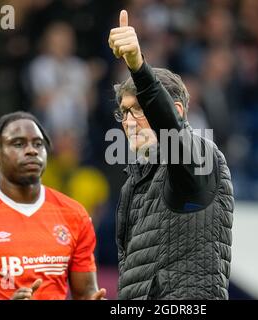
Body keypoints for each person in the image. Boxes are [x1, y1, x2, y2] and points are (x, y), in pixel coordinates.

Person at [108, 10, 234, 300]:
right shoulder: (135, 180)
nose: (128, 121)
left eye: (139, 109)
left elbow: (173, 133)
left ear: (176, 111)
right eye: (124, 112)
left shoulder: (201, 156)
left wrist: (138, 67)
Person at [0, 111, 106, 300]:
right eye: (18, 144)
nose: (32, 150)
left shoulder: (75, 214)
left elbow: (86, 293)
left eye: (38, 144)